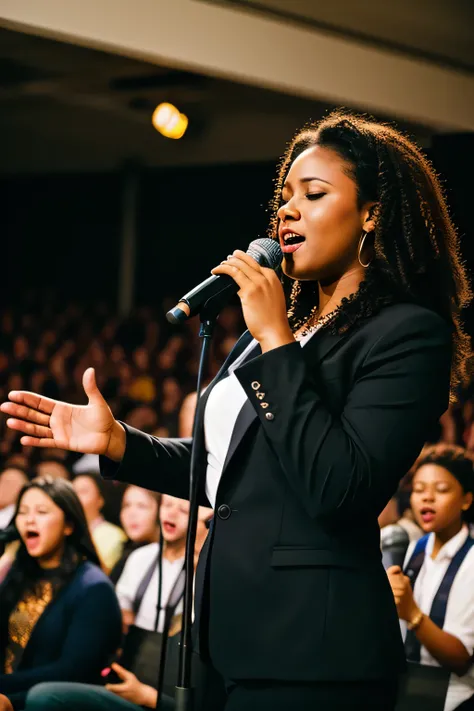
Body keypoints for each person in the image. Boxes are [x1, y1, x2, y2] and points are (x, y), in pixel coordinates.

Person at [1, 109, 471, 711]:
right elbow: (228, 469)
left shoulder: (405, 334)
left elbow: (339, 486)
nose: (288, 211)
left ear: (373, 213)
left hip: (311, 655)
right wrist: (119, 442)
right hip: (222, 638)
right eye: (285, 197)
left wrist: (276, 341)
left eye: (314, 194)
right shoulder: (274, 331)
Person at [22, 497, 213, 711]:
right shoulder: (140, 557)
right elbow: (121, 618)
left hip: (167, 692)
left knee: (45, 696)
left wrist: (146, 695)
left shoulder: (211, 575)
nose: (171, 514)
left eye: (185, 511)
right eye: (167, 505)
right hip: (130, 674)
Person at [0, 477, 122, 711]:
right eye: (23, 512)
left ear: (69, 525)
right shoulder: (21, 572)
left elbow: (72, 672)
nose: (29, 520)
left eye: (42, 511)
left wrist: (8, 696)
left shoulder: (93, 587)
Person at [387, 445, 474, 711]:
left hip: (455, 699)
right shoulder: (416, 548)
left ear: (466, 500)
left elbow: (460, 660)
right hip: (413, 691)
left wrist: (411, 613)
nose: (427, 498)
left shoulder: (471, 559)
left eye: (442, 490)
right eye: (419, 489)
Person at [72, 472, 127, 573]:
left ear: (100, 500)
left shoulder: (113, 536)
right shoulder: (68, 530)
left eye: (83, 491)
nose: (75, 497)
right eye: (72, 491)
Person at [109, 485, 161, 584]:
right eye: (126, 505)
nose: (131, 513)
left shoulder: (165, 559)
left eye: (142, 506)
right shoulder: (124, 555)